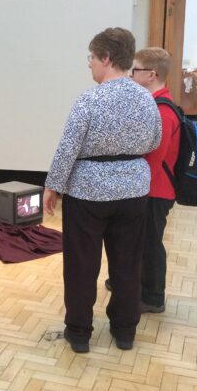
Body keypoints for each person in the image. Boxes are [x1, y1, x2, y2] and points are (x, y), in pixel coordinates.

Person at [43, 28, 161, 353]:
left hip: (88, 193)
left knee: (82, 265)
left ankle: (79, 333)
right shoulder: (145, 98)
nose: (90, 65)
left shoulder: (89, 99)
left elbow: (68, 148)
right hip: (134, 191)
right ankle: (125, 332)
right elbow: (154, 141)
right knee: (127, 264)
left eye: (92, 58)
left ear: (106, 58)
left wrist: (53, 185)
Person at [105, 48, 180, 314]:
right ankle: (130, 284)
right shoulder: (155, 104)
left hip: (155, 191)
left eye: (135, 70)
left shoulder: (162, 111)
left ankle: (152, 296)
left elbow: (154, 160)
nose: (130, 74)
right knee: (137, 240)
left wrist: (133, 190)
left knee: (149, 244)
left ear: (152, 75)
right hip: (150, 189)